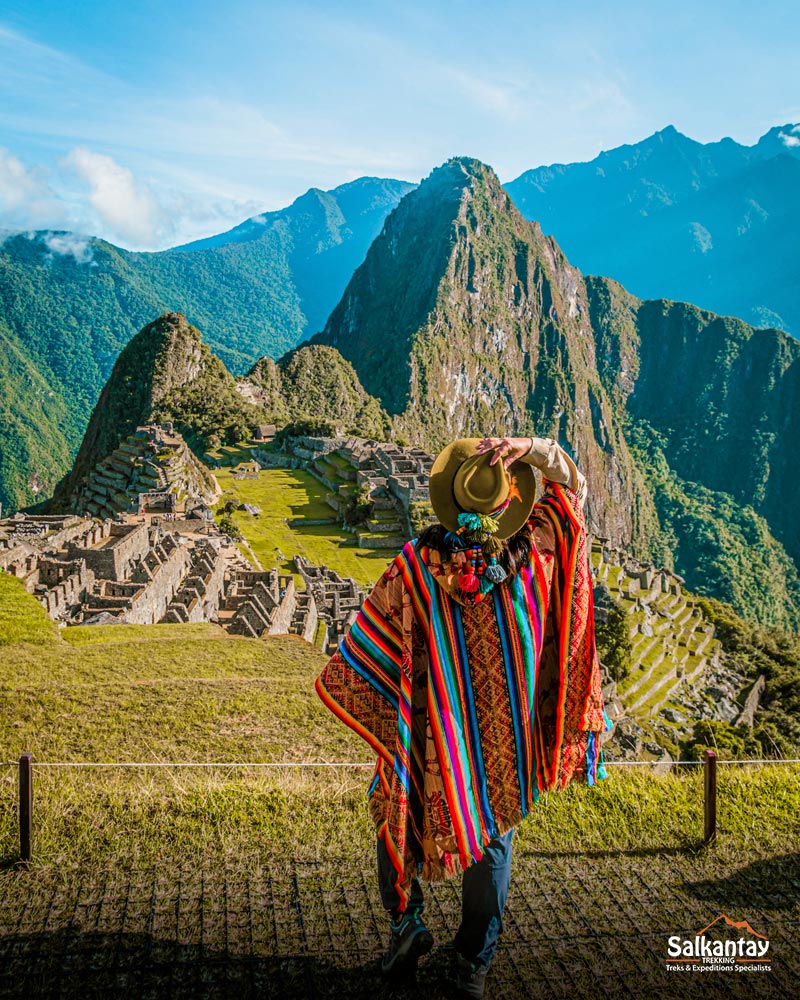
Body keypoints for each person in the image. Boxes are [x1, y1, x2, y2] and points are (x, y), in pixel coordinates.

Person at [315, 435, 607, 997]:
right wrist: (532, 448)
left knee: (396, 796)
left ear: (452, 501)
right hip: (503, 747)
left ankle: (406, 922)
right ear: (512, 504)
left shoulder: (415, 570)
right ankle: (471, 963)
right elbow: (573, 488)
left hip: (428, 737)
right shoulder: (538, 559)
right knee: (493, 833)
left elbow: (370, 647)